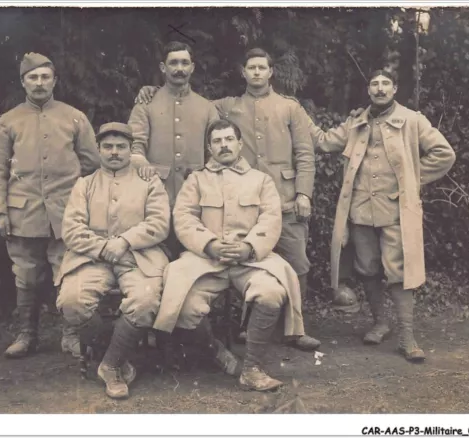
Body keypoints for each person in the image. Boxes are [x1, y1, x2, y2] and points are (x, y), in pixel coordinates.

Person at [137, 48, 320, 352]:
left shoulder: (289, 107)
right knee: (247, 262)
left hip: (283, 198)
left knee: (295, 261)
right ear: (243, 72)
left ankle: (294, 330)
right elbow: (185, 103)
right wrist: (156, 90)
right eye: (251, 67)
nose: (257, 73)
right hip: (235, 197)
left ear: (271, 72)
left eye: (263, 67)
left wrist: (304, 192)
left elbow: (305, 152)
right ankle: (251, 329)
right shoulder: (227, 106)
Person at [311, 69, 456, 362]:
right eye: (374, 84)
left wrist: (411, 181)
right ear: (368, 89)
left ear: (395, 88)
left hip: (395, 211)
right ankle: (380, 322)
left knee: (398, 272)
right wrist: (298, 115)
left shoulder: (412, 120)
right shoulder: (356, 122)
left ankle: (407, 336)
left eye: (385, 84)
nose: (379, 89)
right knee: (367, 269)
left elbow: (444, 153)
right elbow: (324, 141)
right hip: (360, 210)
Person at [154, 119, 306, 391]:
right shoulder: (196, 180)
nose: (223, 145)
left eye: (228, 139)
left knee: (271, 293)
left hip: (251, 259)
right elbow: (184, 218)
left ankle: (251, 368)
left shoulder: (261, 181)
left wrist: (249, 247)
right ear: (209, 148)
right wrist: (209, 244)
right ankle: (215, 350)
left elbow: (270, 220)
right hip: (204, 260)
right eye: (216, 141)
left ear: (240, 144)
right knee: (183, 306)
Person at [0, 52, 100, 358]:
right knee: (26, 275)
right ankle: (27, 335)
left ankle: (71, 334)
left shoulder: (74, 117)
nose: (39, 83)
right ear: (23, 82)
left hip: (67, 214)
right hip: (23, 213)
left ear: (55, 81)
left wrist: (84, 205)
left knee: (69, 272)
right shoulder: (8, 121)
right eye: (32, 78)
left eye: (44, 77)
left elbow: (91, 166)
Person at [55, 122, 170, 399]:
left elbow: (159, 222)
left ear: (131, 150)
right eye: (108, 147)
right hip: (92, 258)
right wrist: (104, 246)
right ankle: (115, 356)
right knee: (71, 302)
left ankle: (110, 365)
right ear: (98, 150)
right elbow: (71, 229)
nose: (114, 152)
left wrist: (126, 241)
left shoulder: (149, 182)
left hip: (138, 256)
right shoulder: (84, 185)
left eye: (121, 147)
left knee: (144, 302)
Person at [128, 41, 219, 259]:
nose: (179, 68)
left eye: (185, 63)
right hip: (156, 197)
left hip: (197, 199)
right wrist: (140, 161)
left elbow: (215, 153)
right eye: (173, 63)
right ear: (163, 67)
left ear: (192, 67)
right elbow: (135, 144)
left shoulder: (207, 107)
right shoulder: (146, 104)